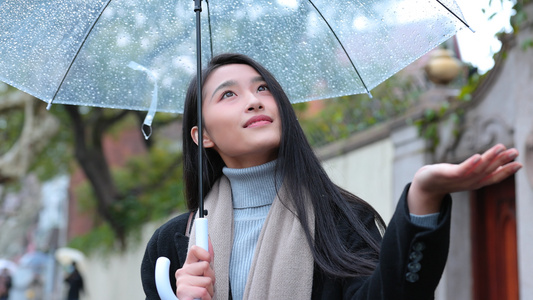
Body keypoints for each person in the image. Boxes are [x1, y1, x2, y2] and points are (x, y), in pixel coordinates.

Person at [141, 53, 521, 300]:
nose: (255, 99)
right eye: (228, 95)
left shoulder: (340, 221)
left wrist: (424, 196)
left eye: (262, 88)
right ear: (202, 136)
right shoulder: (173, 247)